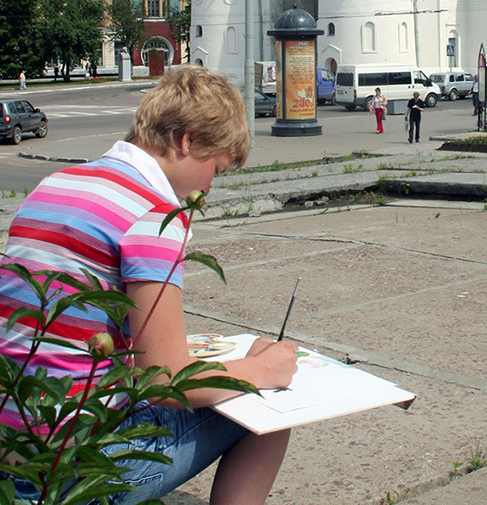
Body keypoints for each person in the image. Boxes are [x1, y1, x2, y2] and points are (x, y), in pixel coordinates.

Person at [0, 65, 298, 505]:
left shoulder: (55, 184)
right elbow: (166, 379)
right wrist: (259, 372)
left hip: (15, 441)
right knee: (270, 410)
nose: (210, 186)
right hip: (76, 462)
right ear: (187, 141)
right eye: (216, 169)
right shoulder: (154, 215)